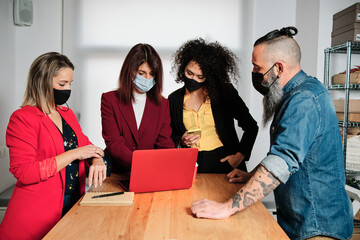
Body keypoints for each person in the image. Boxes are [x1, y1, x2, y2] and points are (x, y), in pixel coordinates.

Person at [191, 27, 354, 239]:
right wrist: (251, 175)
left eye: (257, 69)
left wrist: (226, 208)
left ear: (278, 68)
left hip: (317, 226)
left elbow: (281, 161)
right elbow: (283, 153)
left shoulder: (303, 100)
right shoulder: (297, 93)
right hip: (302, 222)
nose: (255, 75)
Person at [0, 52, 107, 240]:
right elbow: (24, 172)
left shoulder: (67, 113)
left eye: (70, 84)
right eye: (62, 84)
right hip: (36, 217)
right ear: (42, 82)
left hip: (72, 205)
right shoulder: (22, 119)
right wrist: (74, 154)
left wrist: (97, 160)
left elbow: (87, 147)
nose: (67, 89)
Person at [168, 38, 258, 173]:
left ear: (210, 76)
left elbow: (251, 126)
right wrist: (181, 141)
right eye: (189, 73)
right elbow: (169, 135)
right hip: (190, 164)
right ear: (183, 68)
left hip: (224, 161)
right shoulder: (174, 99)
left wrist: (240, 156)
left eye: (200, 77)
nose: (193, 79)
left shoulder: (225, 93)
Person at [101, 43, 175, 172]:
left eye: (152, 74)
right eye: (142, 73)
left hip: (151, 171)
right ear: (130, 71)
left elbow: (164, 143)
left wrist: (168, 164)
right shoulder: (109, 100)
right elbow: (114, 143)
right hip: (118, 172)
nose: (148, 78)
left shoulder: (163, 104)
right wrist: (141, 165)